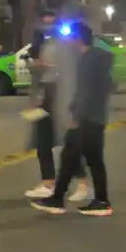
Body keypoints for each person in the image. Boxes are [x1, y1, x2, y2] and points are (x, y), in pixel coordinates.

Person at [31, 21, 113, 216]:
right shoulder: (100, 59)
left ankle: (85, 200)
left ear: (77, 40)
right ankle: (65, 198)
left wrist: (76, 116)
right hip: (96, 117)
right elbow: (109, 85)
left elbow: (84, 92)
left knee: (77, 157)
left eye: (70, 39)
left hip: (86, 119)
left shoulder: (87, 60)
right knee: (79, 158)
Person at [24, 13, 91, 202]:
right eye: (44, 19)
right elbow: (37, 71)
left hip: (63, 94)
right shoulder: (41, 44)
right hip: (46, 93)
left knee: (68, 140)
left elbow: (73, 70)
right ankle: (48, 183)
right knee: (42, 140)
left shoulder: (68, 44)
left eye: (51, 20)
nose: (47, 24)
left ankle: (83, 183)